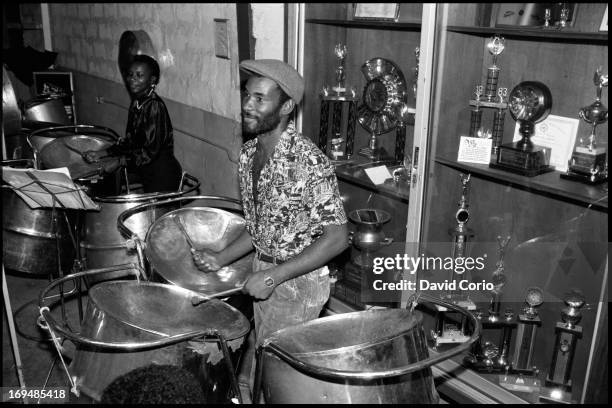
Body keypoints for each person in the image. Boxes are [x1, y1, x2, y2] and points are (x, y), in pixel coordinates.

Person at [191, 59, 348, 348]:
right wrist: (220, 257)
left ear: (286, 107)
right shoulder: (250, 153)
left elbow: (337, 239)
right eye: (247, 95)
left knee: (275, 375)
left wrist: (273, 277)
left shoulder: (308, 162)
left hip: (298, 284)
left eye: (260, 98)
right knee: (262, 366)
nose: (248, 105)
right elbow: (260, 227)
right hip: (263, 271)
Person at [84, 54, 182, 193]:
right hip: (147, 172)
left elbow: (149, 152)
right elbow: (130, 141)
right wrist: (102, 153)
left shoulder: (154, 106)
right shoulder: (137, 103)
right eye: (130, 75)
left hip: (162, 175)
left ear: (152, 80)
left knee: (157, 214)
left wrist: (119, 161)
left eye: (139, 75)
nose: (132, 79)